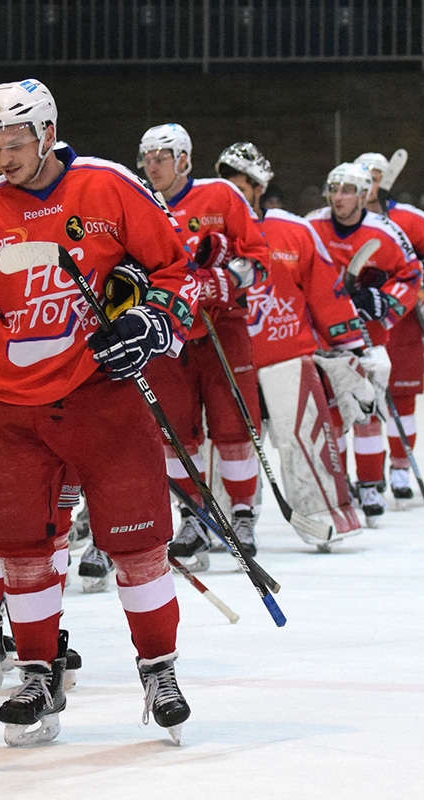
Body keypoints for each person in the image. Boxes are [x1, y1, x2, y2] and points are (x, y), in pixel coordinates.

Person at [0, 78, 197, 746]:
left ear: (48, 134)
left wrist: (148, 322)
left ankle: (159, 668)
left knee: (138, 543)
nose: (2, 158)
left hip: (103, 401)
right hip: (17, 407)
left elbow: (178, 273)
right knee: (22, 547)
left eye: (16, 144)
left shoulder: (109, 188)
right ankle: (37, 668)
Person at [136, 123, 269, 571]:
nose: (153, 165)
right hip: (166, 335)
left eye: (163, 156)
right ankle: (193, 517)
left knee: (233, 427)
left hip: (222, 330)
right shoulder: (137, 200)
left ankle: (243, 513)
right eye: (148, 156)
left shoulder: (221, 196)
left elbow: (259, 261)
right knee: (177, 433)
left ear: (185, 159)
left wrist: (223, 279)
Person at [219, 143, 366, 544]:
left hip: (287, 358)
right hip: (228, 362)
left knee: (305, 440)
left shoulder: (294, 231)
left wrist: (352, 349)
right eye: (226, 186)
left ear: (258, 187)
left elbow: (326, 293)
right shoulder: (211, 233)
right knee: (228, 447)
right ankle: (220, 520)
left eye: (239, 186)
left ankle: (325, 513)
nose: (232, 194)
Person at [307, 162, 418, 524]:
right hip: (325, 337)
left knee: (368, 413)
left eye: (347, 191)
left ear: (364, 194)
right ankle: (340, 487)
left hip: (369, 336)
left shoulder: (384, 231)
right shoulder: (312, 226)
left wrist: (383, 300)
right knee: (334, 416)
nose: (339, 198)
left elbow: (411, 274)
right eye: (334, 190)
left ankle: (370, 484)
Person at [355, 151, 424, 503]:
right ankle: (369, 476)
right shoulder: (340, 222)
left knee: (401, 400)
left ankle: (399, 468)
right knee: (364, 402)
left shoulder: (410, 219)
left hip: (401, 321)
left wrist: (411, 277)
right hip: (359, 325)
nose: (371, 183)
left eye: (377, 176)